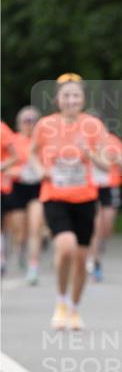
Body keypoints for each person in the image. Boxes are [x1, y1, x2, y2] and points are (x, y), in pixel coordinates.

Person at [29, 74, 111, 329]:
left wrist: (89, 154)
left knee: (81, 258)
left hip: (85, 198)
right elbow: (32, 154)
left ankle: (74, 309)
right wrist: (40, 169)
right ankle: (60, 301)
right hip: (54, 196)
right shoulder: (45, 125)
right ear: (57, 99)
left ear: (83, 99)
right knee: (66, 247)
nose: (71, 100)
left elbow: (107, 164)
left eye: (76, 95)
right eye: (66, 95)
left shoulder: (93, 126)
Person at [87, 131, 122, 282]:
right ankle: (95, 262)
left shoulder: (113, 141)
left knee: (107, 226)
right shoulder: (82, 141)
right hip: (91, 187)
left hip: (109, 186)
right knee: (96, 225)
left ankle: (99, 245)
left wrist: (118, 159)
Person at [10, 106, 44, 285]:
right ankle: (20, 248)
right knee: (19, 231)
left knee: (35, 228)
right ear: (19, 123)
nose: (29, 124)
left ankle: (33, 267)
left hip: (37, 187)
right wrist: (18, 171)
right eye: (26, 121)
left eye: (33, 121)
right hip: (17, 186)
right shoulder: (13, 140)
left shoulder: (42, 141)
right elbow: (5, 163)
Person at [0, 119, 18, 276]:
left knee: (4, 226)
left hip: (2, 186)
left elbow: (15, 156)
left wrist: (2, 166)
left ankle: (2, 259)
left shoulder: (2, 129)